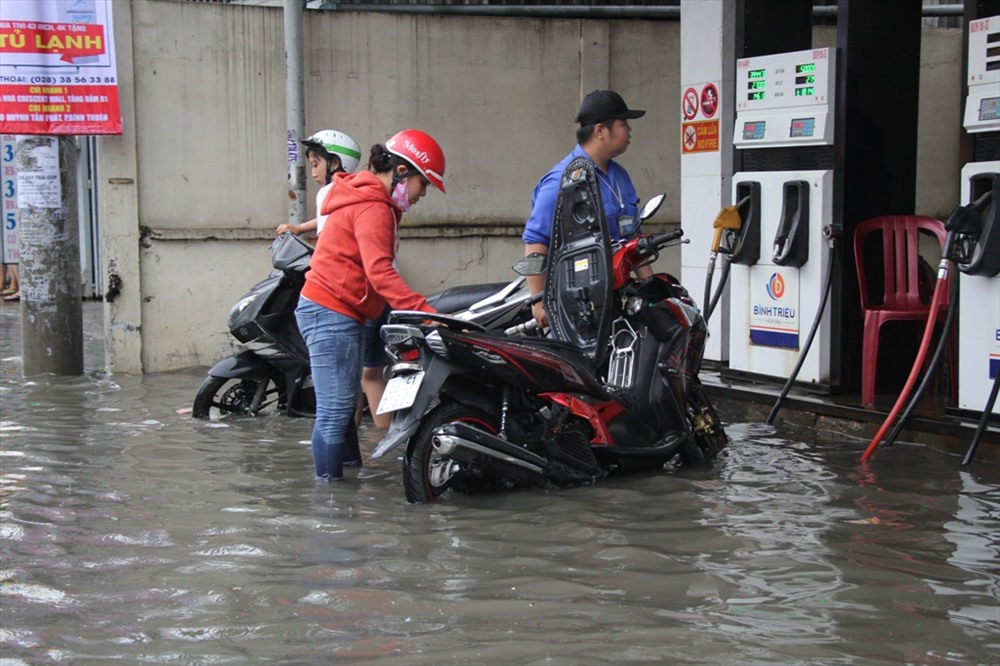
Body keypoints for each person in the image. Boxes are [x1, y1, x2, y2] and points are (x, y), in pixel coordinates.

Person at [294, 128, 446, 482]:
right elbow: (380, 272)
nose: (423, 193)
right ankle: (329, 505)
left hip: (331, 308)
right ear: (402, 171)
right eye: (423, 183)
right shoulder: (374, 207)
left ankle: (346, 479)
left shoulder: (370, 200)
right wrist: (426, 313)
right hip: (331, 311)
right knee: (333, 412)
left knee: (342, 406)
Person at [522, 90, 653, 328]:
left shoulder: (619, 175)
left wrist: (650, 286)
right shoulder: (563, 181)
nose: (629, 131)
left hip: (619, 298)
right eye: (623, 124)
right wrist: (538, 300)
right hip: (579, 306)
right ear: (600, 130)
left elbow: (633, 238)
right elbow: (535, 243)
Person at [276, 129, 362, 238]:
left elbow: (325, 239)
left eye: (315, 165)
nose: (313, 174)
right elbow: (327, 218)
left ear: (335, 163)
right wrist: (300, 228)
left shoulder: (327, 192)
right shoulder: (356, 188)